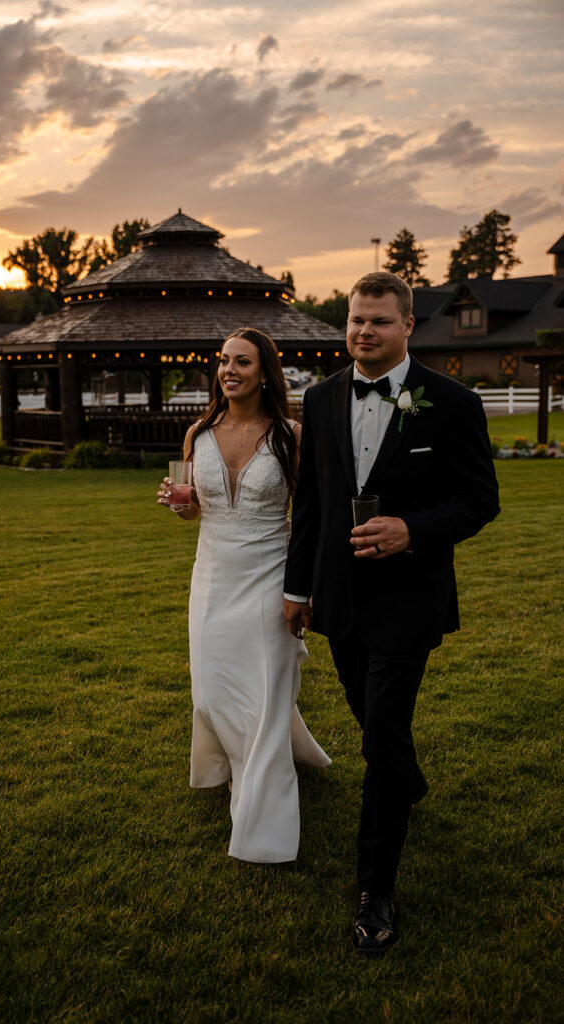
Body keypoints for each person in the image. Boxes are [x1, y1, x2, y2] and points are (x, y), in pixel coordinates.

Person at [283, 272, 500, 953]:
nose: (362, 332)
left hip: (409, 598)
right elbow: (311, 507)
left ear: (408, 325)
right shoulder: (317, 401)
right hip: (338, 598)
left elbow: (478, 500)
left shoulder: (452, 402)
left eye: (377, 321)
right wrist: (296, 590)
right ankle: (405, 779)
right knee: (371, 720)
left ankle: (374, 890)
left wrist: (413, 529)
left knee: (379, 734)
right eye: (354, 320)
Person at [158, 327, 330, 864]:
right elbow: (191, 511)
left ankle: (260, 810)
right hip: (212, 577)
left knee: (264, 692)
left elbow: (311, 517)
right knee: (210, 692)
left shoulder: (290, 435)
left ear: (265, 373)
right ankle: (239, 757)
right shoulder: (197, 434)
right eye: (224, 361)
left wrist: (302, 589)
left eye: (243, 362)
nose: (230, 370)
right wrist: (176, 504)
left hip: (270, 577)